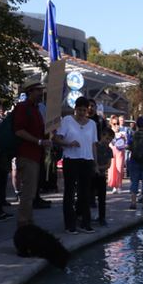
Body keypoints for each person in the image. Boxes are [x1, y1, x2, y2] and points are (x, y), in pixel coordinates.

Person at [53, 96, 99, 234]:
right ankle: (70, 224)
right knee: (69, 191)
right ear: (75, 109)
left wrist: (95, 163)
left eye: (84, 110)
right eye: (79, 110)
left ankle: (85, 223)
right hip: (71, 159)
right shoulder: (67, 120)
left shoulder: (91, 124)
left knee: (85, 193)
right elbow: (57, 139)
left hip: (87, 160)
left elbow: (93, 145)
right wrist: (69, 143)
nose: (81, 113)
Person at [12, 76, 50, 227]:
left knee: (31, 192)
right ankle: (24, 224)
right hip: (27, 155)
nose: (41, 93)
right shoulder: (23, 107)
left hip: (35, 155)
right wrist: (39, 141)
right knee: (28, 193)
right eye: (39, 90)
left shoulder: (36, 109)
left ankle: (28, 222)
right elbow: (18, 131)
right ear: (30, 91)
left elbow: (39, 132)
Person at [93, 126, 115, 226]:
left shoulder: (109, 150)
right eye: (106, 138)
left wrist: (98, 167)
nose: (108, 141)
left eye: (110, 140)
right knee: (87, 195)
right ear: (101, 136)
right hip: (91, 175)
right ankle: (80, 213)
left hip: (101, 175)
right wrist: (95, 167)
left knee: (102, 197)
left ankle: (102, 217)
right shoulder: (95, 146)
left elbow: (108, 165)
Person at [108, 115, 127, 194]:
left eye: (117, 123)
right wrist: (113, 134)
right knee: (112, 168)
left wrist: (123, 137)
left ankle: (119, 186)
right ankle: (113, 186)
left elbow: (126, 140)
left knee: (119, 168)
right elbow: (108, 141)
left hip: (120, 150)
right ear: (111, 124)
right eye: (114, 124)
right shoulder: (109, 131)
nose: (116, 125)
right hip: (112, 149)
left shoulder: (122, 130)